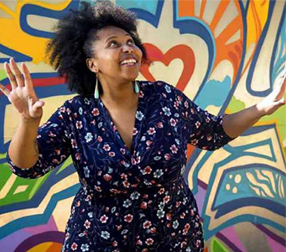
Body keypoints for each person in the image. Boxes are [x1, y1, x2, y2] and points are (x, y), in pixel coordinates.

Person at [0, 1, 285, 252]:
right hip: (98, 241)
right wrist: (27, 122)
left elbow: (213, 133)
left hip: (174, 238)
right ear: (92, 64)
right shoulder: (76, 114)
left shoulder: (165, 98)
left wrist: (263, 106)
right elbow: (27, 166)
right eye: (113, 43)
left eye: (131, 41)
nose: (128, 48)